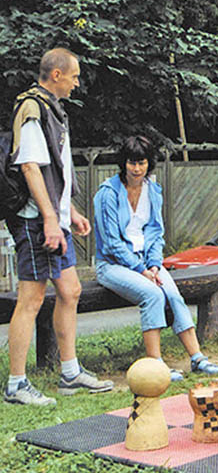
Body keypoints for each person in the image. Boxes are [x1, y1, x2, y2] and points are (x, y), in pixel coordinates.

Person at [4, 48, 114, 406]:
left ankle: (70, 372)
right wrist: (51, 219)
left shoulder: (53, 109)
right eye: (74, 76)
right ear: (55, 75)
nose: (77, 82)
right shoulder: (33, 108)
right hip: (36, 222)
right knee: (31, 299)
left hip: (54, 219)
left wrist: (70, 211)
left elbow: (55, 172)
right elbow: (31, 168)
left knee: (70, 291)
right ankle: (17, 385)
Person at [93, 135, 218, 381]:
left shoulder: (152, 190)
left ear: (148, 163)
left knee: (172, 294)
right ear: (124, 163)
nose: (137, 169)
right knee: (152, 294)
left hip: (146, 263)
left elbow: (155, 232)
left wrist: (153, 264)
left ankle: (197, 358)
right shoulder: (107, 193)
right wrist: (141, 270)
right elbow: (111, 242)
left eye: (141, 163)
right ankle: (156, 364)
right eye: (132, 163)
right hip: (113, 265)